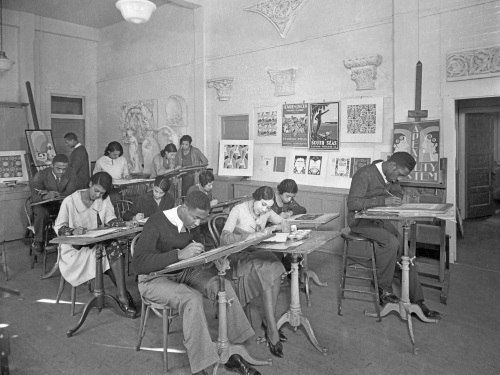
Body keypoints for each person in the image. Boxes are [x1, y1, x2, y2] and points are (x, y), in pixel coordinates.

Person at [132, 191, 261, 375]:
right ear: (184, 209)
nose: (198, 223)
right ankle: (201, 366)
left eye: (202, 219)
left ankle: (232, 351)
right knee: (191, 298)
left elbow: (199, 249)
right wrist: (179, 254)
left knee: (222, 287)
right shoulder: (156, 222)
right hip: (153, 277)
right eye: (195, 218)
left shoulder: (193, 222)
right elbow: (138, 264)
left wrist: (215, 259)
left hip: (183, 271)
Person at [347, 152, 441, 320]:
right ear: (392, 166)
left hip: (377, 219)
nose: (398, 178)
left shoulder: (392, 176)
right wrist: (383, 201)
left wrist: (394, 199)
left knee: (405, 250)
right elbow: (353, 203)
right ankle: (384, 289)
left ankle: (418, 301)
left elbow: (396, 194)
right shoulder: (364, 174)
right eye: (399, 174)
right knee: (390, 242)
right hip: (359, 221)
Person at [53, 172, 137, 318]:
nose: (98, 195)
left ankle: (122, 295)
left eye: (102, 193)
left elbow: (110, 220)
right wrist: (73, 230)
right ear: (90, 184)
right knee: (111, 252)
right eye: (96, 191)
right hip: (74, 250)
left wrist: (126, 224)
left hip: (93, 243)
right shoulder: (70, 201)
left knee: (113, 246)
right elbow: (59, 229)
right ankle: (123, 296)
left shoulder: (103, 199)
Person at [221, 186, 286, 358]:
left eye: (269, 207)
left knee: (277, 267)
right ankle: (272, 330)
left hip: (256, 252)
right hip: (239, 256)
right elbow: (224, 238)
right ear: (255, 198)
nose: (265, 209)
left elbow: (282, 222)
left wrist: (277, 227)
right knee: (265, 270)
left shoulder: (266, 211)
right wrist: (247, 237)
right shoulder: (238, 210)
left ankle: (267, 321)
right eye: (263, 205)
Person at [30, 154, 80, 254]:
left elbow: (71, 191)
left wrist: (56, 194)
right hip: (44, 205)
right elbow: (34, 198)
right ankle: (38, 241)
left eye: (64, 169)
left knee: (76, 208)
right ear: (52, 165)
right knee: (41, 212)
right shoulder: (41, 174)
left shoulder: (71, 172)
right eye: (58, 168)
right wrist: (45, 196)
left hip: (61, 204)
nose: (61, 172)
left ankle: (76, 239)